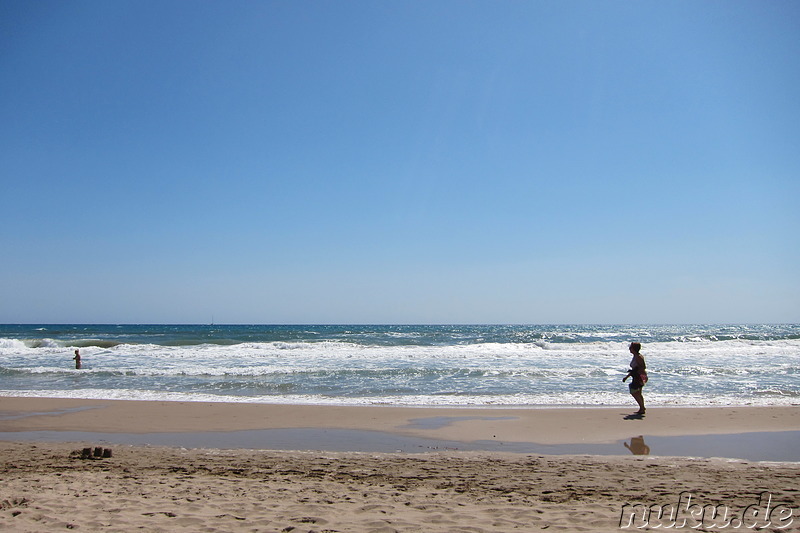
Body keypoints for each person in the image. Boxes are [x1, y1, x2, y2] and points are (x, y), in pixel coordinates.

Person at [622, 342, 647, 414]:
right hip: (636, 376)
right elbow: (634, 369)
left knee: (634, 392)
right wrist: (627, 376)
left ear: (633, 349)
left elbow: (643, 367)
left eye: (631, 347)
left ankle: (642, 407)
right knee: (638, 392)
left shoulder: (639, 357)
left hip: (640, 376)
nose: (629, 348)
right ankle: (642, 408)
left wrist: (636, 372)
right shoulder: (636, 356)